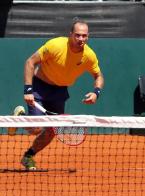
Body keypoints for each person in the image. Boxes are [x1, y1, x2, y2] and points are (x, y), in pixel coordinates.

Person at [8, 18, 104, 170]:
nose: (81, 39)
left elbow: (98, 76)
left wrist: (96, 92)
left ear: (88, 36)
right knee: (36, 129)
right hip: (40, 87)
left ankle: (29, 156)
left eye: (84, 36)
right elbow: (30, 62)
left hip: (59, 91)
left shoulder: (89, 55)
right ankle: (18, 117)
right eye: (77, 35)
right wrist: (28, 90)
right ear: (70, 34)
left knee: (52, 130)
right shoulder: (55, 45)